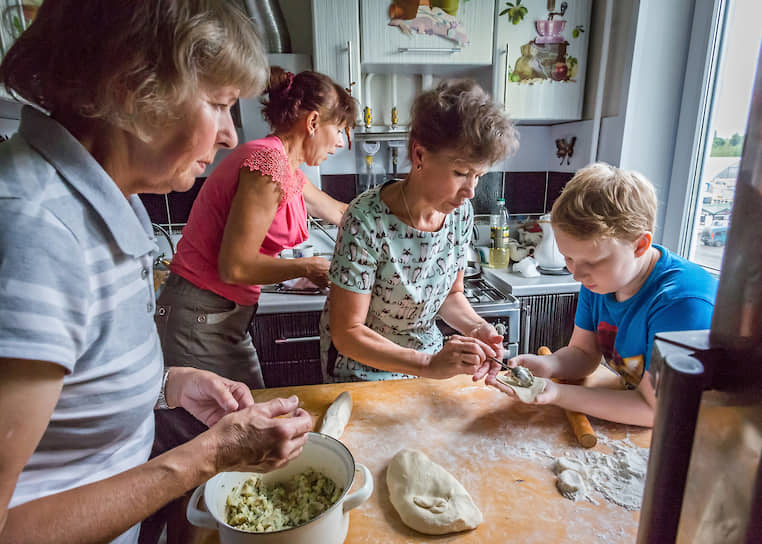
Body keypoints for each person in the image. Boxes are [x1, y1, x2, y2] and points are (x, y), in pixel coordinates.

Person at [0, 2, 312, 543]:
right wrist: (206, 456)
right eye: (218, 104)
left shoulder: (106, 203)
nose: (230, 136)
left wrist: (168, 386)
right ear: (133, 89)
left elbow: (68, 399)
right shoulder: (35, 233)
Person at [156, 66, 356, 390]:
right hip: (198, 319)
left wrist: (402, 212)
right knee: (240, 427)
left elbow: (340, 211)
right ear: (314, 122)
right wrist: (307, 266)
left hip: (217, 318)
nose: (341, 143)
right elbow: (235, 267)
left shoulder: (286, 167)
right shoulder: (268, 164)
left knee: (249, 421)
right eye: (340, 130)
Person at [487, 163, 718, 427]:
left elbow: (654, 410)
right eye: (569, 258)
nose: (577, 274)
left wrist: (557, 394)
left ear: (640, 245)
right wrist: (548, 365)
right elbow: (584, 354)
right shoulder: (599, 280)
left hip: (698, 435)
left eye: (592, 261)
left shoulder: (683, 304)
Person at [320, 79, 519, 382]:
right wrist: (427, 364)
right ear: (419, 155)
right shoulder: (366, 219)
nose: (470, 191)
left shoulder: (460, 214)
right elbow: (347, 333)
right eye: (461, 173)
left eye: (478, 176)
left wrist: (477, 327)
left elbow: (451, 295)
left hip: (429, 368)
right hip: (363, 372)